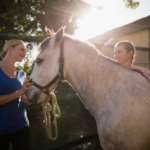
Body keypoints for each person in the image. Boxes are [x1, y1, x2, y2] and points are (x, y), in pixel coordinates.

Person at [0, 39, 33, 150]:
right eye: (22, 49)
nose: (25, 53)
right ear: (10, 48)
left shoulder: (22, 74)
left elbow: (24, 100)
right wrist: (19, 92)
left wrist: (41, 99)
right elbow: (21, 93)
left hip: (22, 126)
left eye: (26, 51)